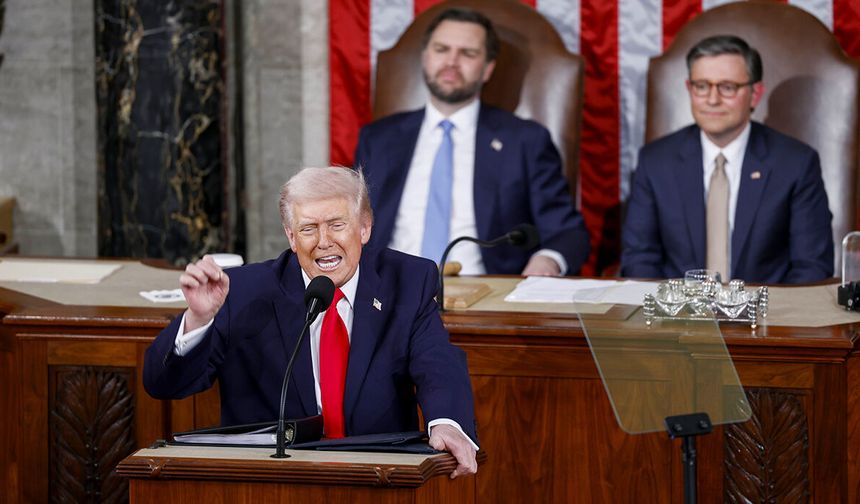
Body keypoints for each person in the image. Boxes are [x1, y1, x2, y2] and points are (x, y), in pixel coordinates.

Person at [143, 167, 478, 478]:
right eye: (308, 228)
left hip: (377, 475)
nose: (323, 241)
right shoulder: (244, 292)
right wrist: (199, 318)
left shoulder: (407, 279)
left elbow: (437, 361)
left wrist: (447, 423)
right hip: (273, 481)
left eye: (336, 224)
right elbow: (163, 384)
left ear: (364, 227)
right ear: (291, 237)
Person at [354, 7, 589, 276]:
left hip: (484, 298)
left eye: (468, 53)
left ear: (488, 68)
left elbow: (567, 233)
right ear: (425, 57)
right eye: (441, 49)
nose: (452, 61)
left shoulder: (525, 141)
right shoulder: (379, 139)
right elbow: (350, 224)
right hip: (388, 293)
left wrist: (547, 260)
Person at [621, 35, 833, 283]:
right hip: (678, 317)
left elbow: (811, 266)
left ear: (755, 94)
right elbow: (640, 259)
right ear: (690, 89)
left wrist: (770, 317)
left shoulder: (796, 164)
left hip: (767, 316)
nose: (712, 99)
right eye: (702, 86)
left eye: (727, 87)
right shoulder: (656, 161)